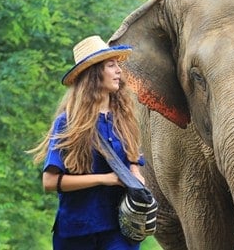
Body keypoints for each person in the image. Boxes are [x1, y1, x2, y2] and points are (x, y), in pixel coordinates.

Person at [29, 35, 146, 250]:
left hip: (120, 230)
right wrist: (105, 179)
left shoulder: (125, 118)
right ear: (93, 74)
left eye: (118, 65)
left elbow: (133, 161)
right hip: (77, 231)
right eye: (111, 65)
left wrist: (136, 176)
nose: (119, 70)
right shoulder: (67, 122)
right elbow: (49, 182)